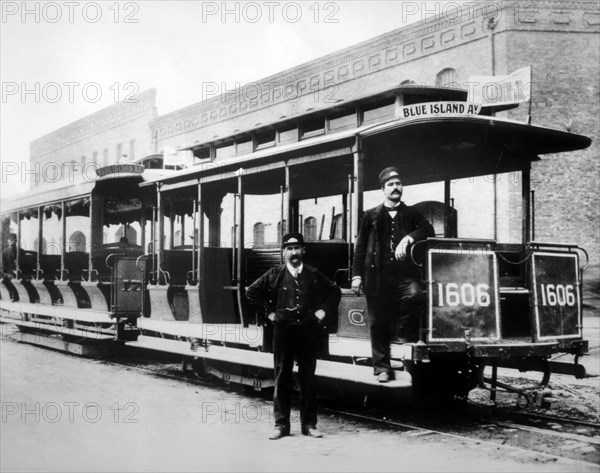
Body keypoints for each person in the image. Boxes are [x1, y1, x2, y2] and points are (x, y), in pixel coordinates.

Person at [246, 232, 341, 440]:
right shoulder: (273, 274)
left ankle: (309, 425)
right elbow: (251, 292)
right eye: (289, 249)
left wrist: (323, 311)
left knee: (308, 379)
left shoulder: (314, 274)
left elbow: (335, 292)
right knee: (282, 378)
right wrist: (269, 313)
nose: (294, 252)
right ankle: (281, 426)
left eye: (297, 248)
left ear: (303, 250)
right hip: (283, 333)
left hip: (308, 332)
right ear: (283, 252)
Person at [351, 167, 434, 383]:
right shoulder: (371, 215)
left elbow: (428, 230)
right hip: (377, 277)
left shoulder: (412, 213)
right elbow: (360, 247)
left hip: (404, 276)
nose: (395, 187)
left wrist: (408, 239)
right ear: (383, 189)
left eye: (398, 183)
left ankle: (401, 333)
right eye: (390, 184)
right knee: (377, 323)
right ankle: (382, 369)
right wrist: (356, 276)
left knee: (415, 295)